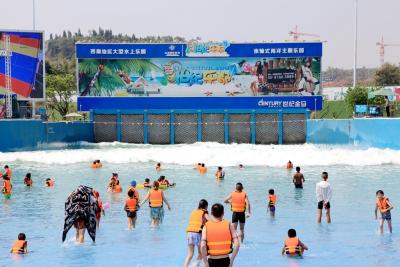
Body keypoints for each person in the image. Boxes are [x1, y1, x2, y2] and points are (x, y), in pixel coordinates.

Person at [184, 199, 212, 267]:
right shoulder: (204, 213)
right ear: (206, 206)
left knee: (190, 254)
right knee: (201, 253)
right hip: (197, 234)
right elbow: (211, 221)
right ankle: (195, 266)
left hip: (189, 233)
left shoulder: (194, 212)